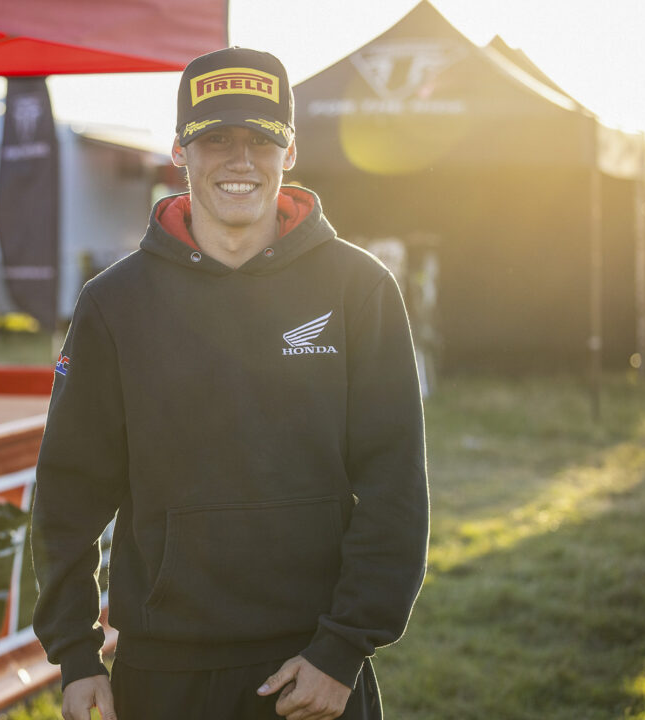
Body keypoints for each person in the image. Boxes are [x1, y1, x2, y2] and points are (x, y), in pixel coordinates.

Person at [31, 47, 429, 720]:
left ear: (291, 150)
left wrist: (342, 650)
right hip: (162, 671)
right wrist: (76, 656)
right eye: (216, 139)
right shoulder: (113, 304)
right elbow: (68, 494)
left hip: (315, 667)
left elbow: (395, 485)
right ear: (181, 150)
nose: (239, 161)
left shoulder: (359, 289)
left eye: (261, 140)